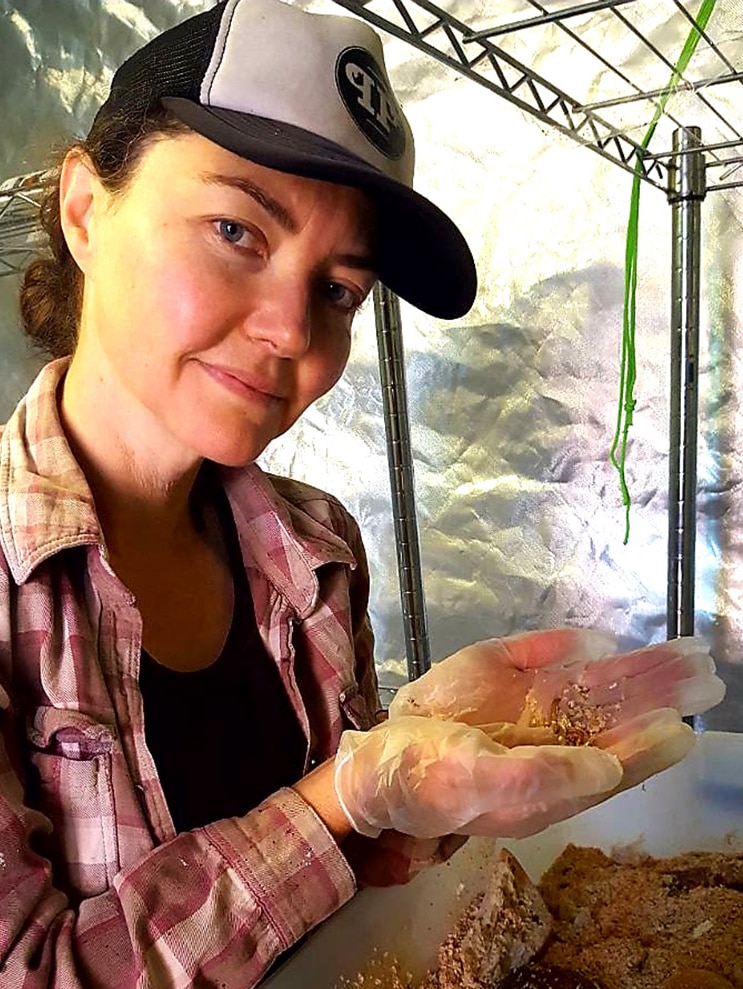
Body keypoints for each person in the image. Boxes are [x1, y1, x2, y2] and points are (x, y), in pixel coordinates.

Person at [0, 0, 726, 986]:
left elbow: (344, 885)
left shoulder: (315, 549)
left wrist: (408, 806)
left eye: (338, 288)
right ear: (85, 209)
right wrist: (341, 795)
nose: (291, 331)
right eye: (234, 229)